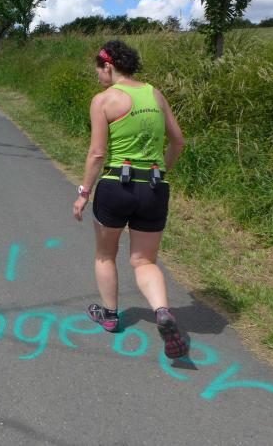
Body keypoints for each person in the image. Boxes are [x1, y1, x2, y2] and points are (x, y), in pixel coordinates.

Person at [72, 40, 188, 359]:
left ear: (108, 66)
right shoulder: (155, 94)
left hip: (116, 186)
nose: (98, 75)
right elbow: (178, 142)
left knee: (105, 255)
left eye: (98, 69)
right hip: (154, 186)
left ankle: (109, 316)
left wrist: (83, 193)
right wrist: (161, 172)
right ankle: (162, 311)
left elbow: (97, 154)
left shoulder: (104, 100)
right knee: (144, 261)